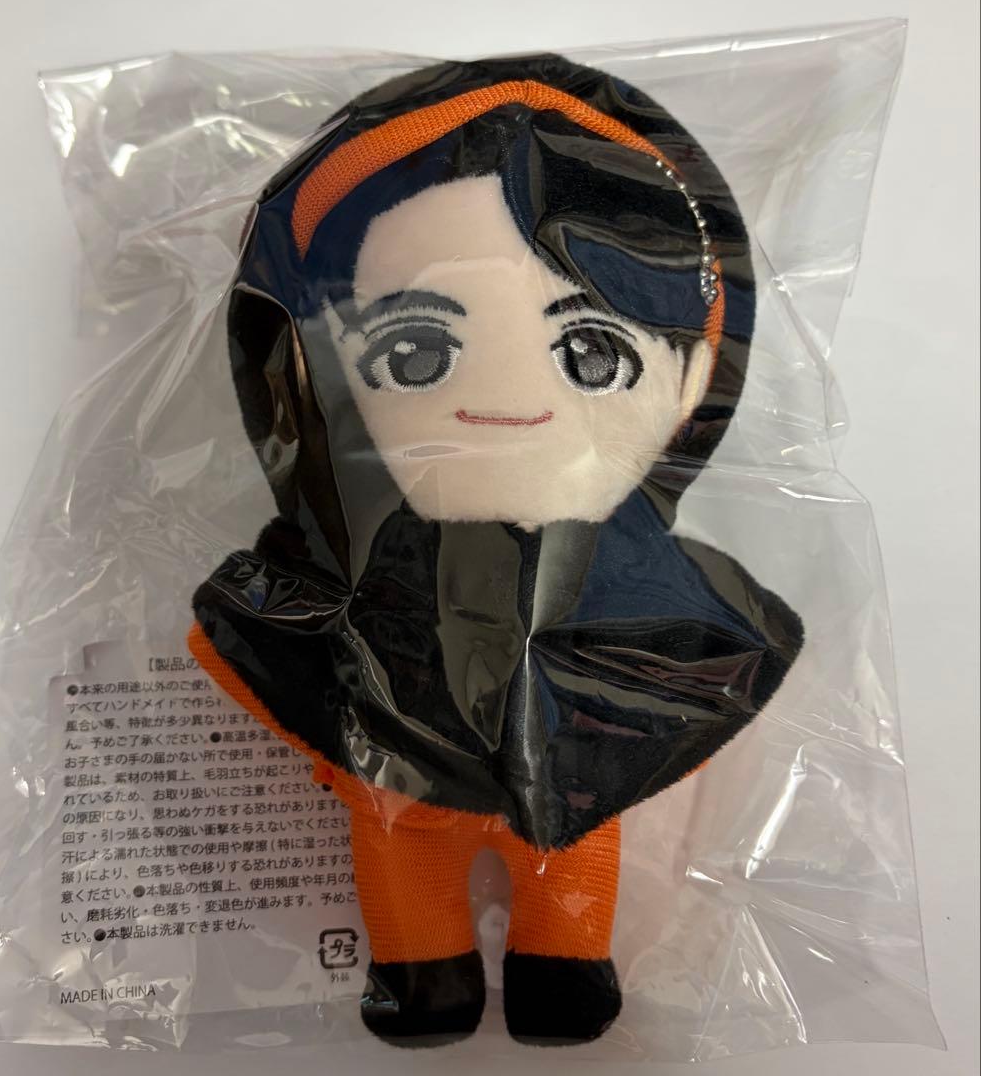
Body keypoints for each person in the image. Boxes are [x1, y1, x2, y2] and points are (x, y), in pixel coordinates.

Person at [191, 53, 803, 1046]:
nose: (510, 402)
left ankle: (559, 964)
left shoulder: (630, 576)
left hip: (562, 781)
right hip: (403, 778)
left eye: (593, 353)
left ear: (692, 382)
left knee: (565, 846)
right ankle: (419, 969)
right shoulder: (363, 548)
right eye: (414, 352)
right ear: (318, 373)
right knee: (407, 848)